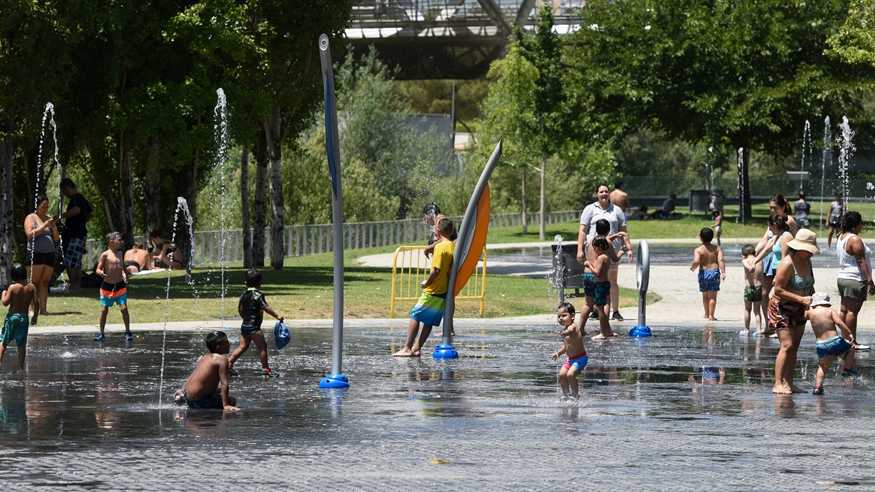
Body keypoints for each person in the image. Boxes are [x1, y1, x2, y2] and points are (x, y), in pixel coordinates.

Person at [393, 217, 454, 357]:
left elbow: (436, 270)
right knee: (429, 321)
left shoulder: (440, 248)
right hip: (443, 290)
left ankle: (407, 348)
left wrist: (427, 283)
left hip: (432, 290)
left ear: (438, 230)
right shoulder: (451, 246)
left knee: (415, 315)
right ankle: (417, 348)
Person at [768, 229, 818, 395]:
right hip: (781, 307)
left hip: (799, 309)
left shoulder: (808, 262)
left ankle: (789, 383)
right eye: (809, 250)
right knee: (787, 345)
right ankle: (777, 383)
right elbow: (778, 290)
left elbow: (809, 285)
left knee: (794, 347)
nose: (811, 253)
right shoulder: (787, 263)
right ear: (800, 248)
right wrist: (801, 299)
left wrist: (813, 301)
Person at [577, 184, 632, 322]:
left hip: (610, 248)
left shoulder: (617, 210)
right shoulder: (590, 209)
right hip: (594, 250)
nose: (604, 194)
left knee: (611, 281)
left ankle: (615, 311)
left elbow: (623, 231)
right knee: (600, 282)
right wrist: (579, 249)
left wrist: (628, 247)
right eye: (601, 191)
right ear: (597, 194)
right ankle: (598, 313)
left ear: (609, 194)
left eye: (606, 191)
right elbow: (583, 230)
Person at [228, 270, 284, 376]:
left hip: (245, 326)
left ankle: (229, 363)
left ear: (246, 283)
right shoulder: (258, 295)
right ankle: (266, 369)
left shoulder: (243, 294)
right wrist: (277, 316)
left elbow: (240, 309)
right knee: (262, 347)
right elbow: (266, 307)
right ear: (260, 283)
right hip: (254, 327)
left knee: (242, 347)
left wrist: (244, 318)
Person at [835, 211, 874, 352]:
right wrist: (870, 280)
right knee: (852, 312)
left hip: (843, 277)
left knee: (844, 310)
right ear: (855, 225)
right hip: (855, 279)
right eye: (860, 223)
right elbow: (861, 261)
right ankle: (852, 341)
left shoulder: (841, 237)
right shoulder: (855, 240)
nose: (862, 225)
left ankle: (844, 339)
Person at [806, 293, 856, 395]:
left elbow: (801, 318)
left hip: (821, 345)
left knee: (823, 367)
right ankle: (846, 370)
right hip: (834, 341)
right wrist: (849, 333)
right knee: (851, 348)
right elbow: (840, 323)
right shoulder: (830, 311)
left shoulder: (810, 313)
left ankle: (817, 387)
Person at [177, 331, 238, 411]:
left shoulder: (204, 357)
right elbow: (224, 383)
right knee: (232, 400)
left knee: (217, 390)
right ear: (218, 346)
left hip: (188, 398)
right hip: (200, 402)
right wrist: (226, 405)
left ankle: (180, 395)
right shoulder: (221, 360)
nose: (229, 344)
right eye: (226, 342)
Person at [23, 195, 59, 325]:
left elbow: (56, 239)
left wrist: (53, 227)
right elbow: (29, 234)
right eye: (43, 206)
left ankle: (43, 309)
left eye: (47, 206)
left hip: (49, 254)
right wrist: (44, 225)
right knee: (33, 283)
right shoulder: (31, 217)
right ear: (37, 206)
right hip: (35, 254)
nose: (45, 209)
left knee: (44, 283)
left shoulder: (48, 218)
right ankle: (31, 309)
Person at [754, 214, 793, 328]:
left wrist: (777, 277)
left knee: (779, 299)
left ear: (775, 225)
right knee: (769, 296)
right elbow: (766, 249)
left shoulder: (786, 236)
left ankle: (781, 326)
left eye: (769, 226)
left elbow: (785, 258)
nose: (769, 228)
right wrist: (754, 261)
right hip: (776, 271)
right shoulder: (777, 236)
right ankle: (772, 325)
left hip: (782, 272)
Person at [95, 232, 132, 342]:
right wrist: (100, 273)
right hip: (107, 287)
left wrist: (125, 275)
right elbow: (98, 269)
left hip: (120, 287)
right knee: (104, 310)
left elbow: (123, 269)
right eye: (119, 240)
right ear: (111, 241)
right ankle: (101, 332)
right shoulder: (105, 255)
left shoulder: (121, 253)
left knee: (124, 309)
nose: (121, 242)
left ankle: (127, 331)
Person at [59, 178, 92, 290]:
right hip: (80, 234)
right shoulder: (82, 198)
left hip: (75, 235)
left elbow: (77, 210)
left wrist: (62, 216)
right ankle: (77, 286)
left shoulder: (76, 198)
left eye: (64, 191)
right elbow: (90, 212)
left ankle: (74, 285)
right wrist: (82, 222)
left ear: (67, 188)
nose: (64, 194)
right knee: (76, 262)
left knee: (70, 262)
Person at [1, 265, 35, 370]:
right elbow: (36, 303)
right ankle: (21, 367)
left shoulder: (13, 287)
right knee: (21, 345)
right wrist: (35, 317)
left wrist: (3, 293)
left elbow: (5, 303)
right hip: (24, 318)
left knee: (4, 341)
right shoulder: (31, 287)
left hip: (12, 318)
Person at [551, 302, 588, 400]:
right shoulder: (565, 329)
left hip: (580, 358)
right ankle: (566, 395)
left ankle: (575, 395)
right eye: (559, 316)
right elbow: (566, 347)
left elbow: (570, 331)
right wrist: (558, 353)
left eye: (564, 315)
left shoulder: (573, 326)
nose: (561, 318)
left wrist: (564, 332)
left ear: (572, 316)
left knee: (570, 374)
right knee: (562, 375)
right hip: (570, 359)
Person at [690, 227, 725, 321]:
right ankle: (711, 316)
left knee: (705, 295)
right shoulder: (717, 248)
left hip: (703, 272)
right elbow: (721, 260)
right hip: (714, 272)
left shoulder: (698, 250)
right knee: (712, 296)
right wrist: (723, 272)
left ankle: (706, 313)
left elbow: (696, 261)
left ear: (701, 238)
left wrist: (693, 267)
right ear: (712, 237)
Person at [583, 237, 615, 339]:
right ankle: (607, 331)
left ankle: (603, 332)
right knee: (602, 307)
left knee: (600, 309)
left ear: (600, 247)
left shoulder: (601, 258)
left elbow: (597, 273)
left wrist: (588, 265)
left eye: (595, 247)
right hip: (605, 283)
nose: (594, 250)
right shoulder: (606, 256)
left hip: (600, 285)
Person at [740, 244, 764, 335]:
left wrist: (750, 267)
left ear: (744, 254)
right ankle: (758, 329)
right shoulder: (759, 260)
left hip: (749, 288)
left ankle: (746, 329)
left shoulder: (745, 260)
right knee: (757, 311)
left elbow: (747, 265)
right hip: (758, 287)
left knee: (747, 309)